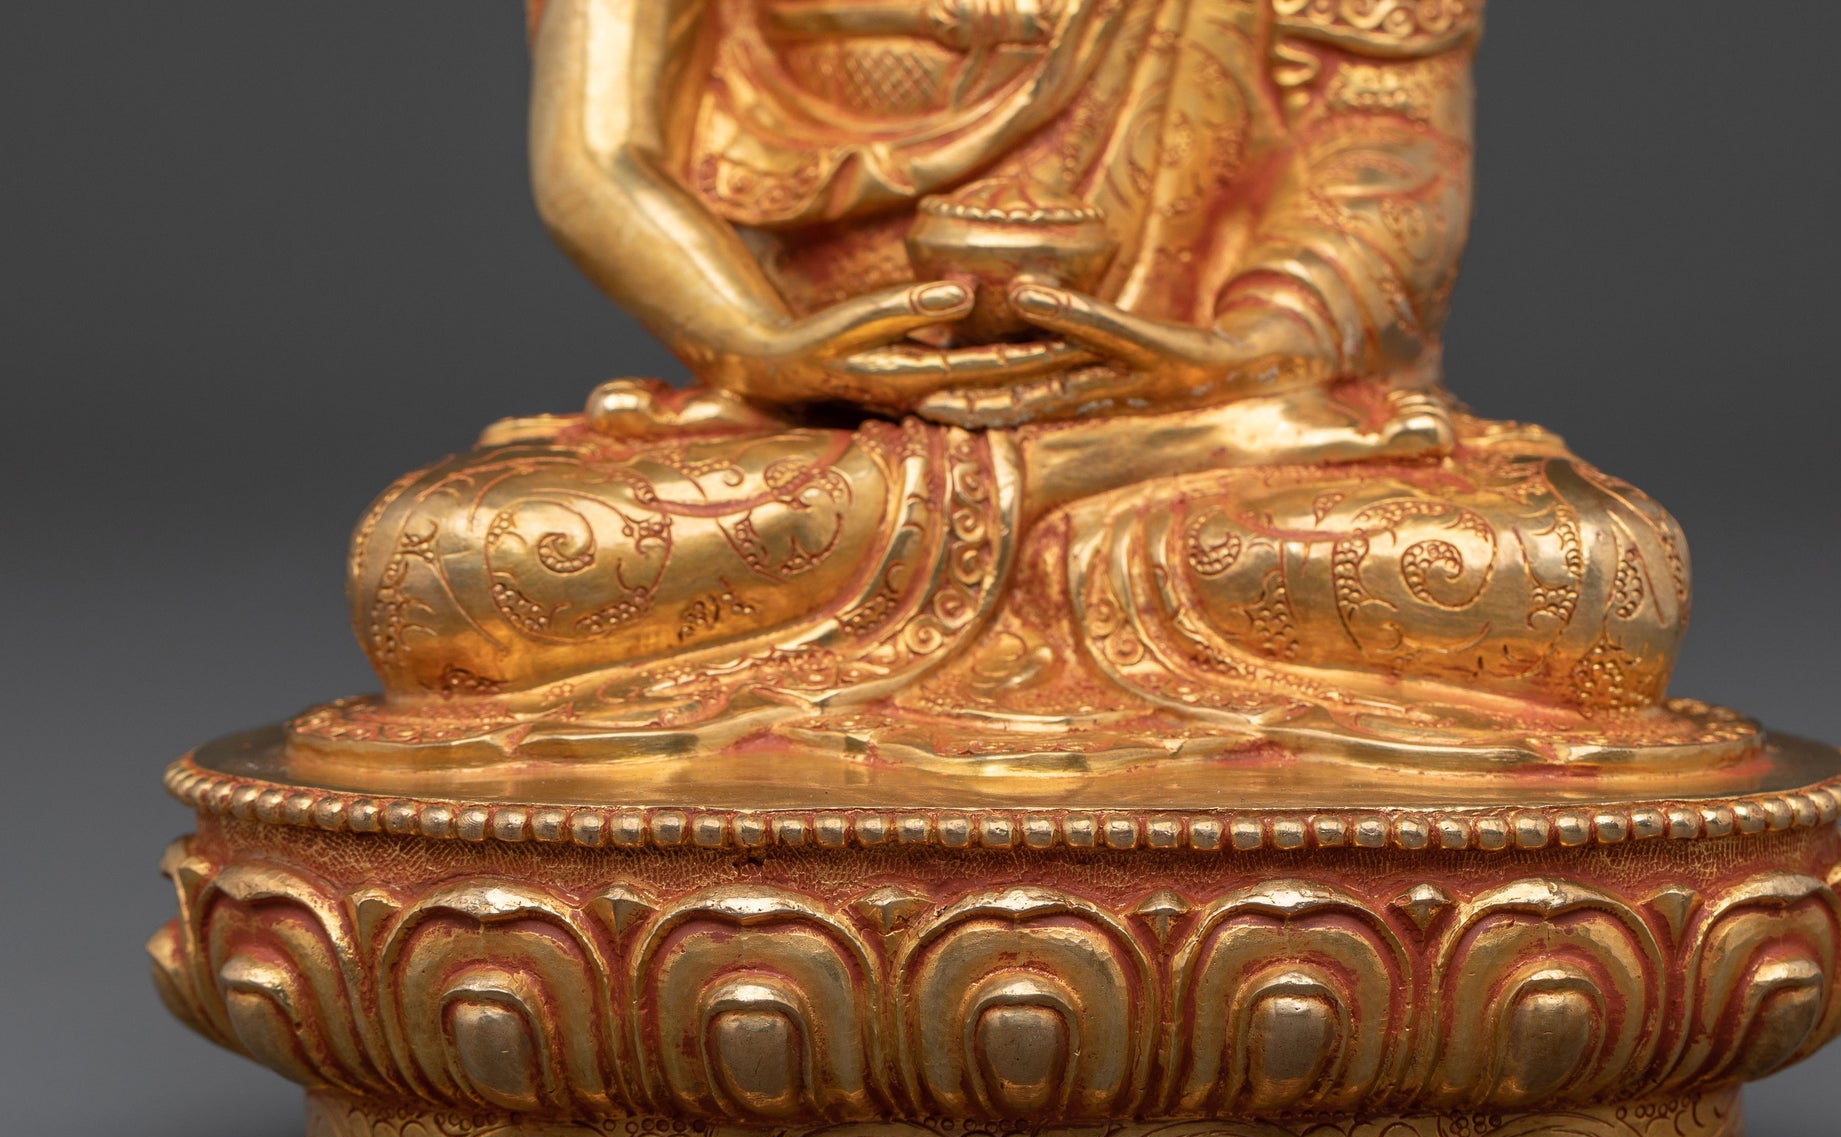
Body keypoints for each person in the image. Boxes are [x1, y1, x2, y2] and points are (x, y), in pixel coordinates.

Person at [311, 0, 1713, 767]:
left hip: (1212, 427)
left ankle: (1101, 474)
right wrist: (758, 341)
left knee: (1585, 576)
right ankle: (1067, 491)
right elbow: (598, 156)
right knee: (454, 565)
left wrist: (1250, 345)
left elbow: (1382, 144)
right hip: (831, 427)